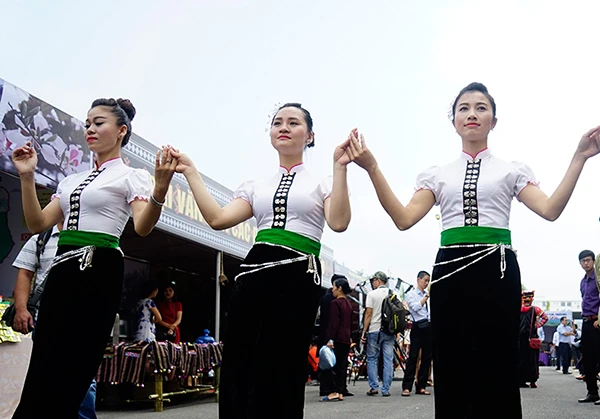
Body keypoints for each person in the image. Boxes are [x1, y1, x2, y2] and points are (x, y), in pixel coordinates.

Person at [346, 82, 600, 418]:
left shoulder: (511, 170)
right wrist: (373, 169)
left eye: (481, 107)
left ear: (494, 120)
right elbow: (404, 218)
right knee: (451, 363)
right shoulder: (438, 175)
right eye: (463, 108)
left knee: (497, 364)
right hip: (449, 269)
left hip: (498, 268)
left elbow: (550, 209)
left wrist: (579, 157)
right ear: (453, 121)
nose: (472, 114)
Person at [168, 103, 352, 419]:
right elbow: (217, 218)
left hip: (299, 273)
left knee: (284, 361)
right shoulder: (256, 186)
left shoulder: (321, 183)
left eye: (293, 123)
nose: (283, 127)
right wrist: (191, 172)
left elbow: (338, 222)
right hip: (255, 270)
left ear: (310, 136)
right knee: (241, 357)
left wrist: (340, 168)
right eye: (277, 122)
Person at [9, 98, 177, 418]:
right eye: (88, 123)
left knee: (76, 362)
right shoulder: (70, 181)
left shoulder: (132, 176)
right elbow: (37, 224)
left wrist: (160, 189)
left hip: (100, 265)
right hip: (63, 265)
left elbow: (142, 227)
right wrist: (27, 177)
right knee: (45, 357)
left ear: (121, 131)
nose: (90, 129)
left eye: (99, 123)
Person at [11, 223, 98, 419]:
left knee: (82, 375)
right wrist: (22, 309)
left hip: (83, 320)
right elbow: (25, 273)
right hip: (46, 320)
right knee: (47, 374)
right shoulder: (41, 239)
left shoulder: (94, 235)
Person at [360, 271, 395, 397]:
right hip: (389, 332)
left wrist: (364, 331)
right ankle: (386, 389)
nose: (372, 283)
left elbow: (368, 313)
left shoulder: (371, 294)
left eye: (373, 280)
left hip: (374, 330)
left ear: (379, 281)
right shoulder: (392, 294)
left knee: (372, 358)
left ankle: (374, 387)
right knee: (388, 359)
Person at [320, 276, 353, 402]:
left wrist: (330, 339)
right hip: (345, 338)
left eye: (334, 287)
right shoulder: (348, 304)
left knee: (332, 365)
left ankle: (333, 391)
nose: (332, 289)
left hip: (337, 338)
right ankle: (340, 391)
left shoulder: (335, 303)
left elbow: (333, 323)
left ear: (339, 288)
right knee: (342, 366)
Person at [402, 271, 432, 396]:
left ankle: (421, 385)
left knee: (426, 358)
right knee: (413, 356)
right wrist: (425, 297)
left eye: (428, 281)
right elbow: (414, 307)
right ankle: (407, 386)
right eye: (425, 280)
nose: (426, 283)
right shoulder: (411, 294)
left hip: (429, 326)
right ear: (418, 279)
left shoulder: (429, 295)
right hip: (417, 326)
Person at [577, 250, 600, 404]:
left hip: (596, 322)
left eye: (588, 260)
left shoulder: (597, 280)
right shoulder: (583, 281)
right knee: (588, 359)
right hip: (585, 322)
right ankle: (592, 392)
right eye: (583, 261)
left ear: (593, 261)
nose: (586, 263)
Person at [518, 290, 548, 388]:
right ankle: (521, 380)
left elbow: (545, 317)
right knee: (521, 359)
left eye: (529, 297)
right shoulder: (518, 308)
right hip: (520, 339)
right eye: (525, 297)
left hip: (531, 338)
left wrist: (537, 325)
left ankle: (532, 380)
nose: (527, 299)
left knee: (532, 360)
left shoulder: (536, 309)